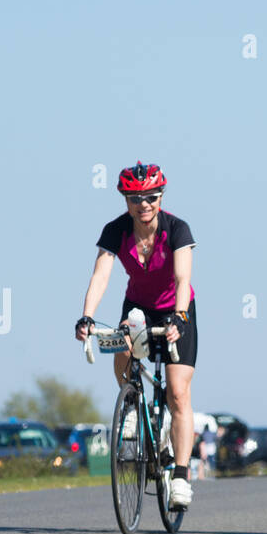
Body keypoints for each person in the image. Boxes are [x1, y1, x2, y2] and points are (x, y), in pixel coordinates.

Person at [75, 161, 198, 509]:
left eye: (151, 197)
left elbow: (181, 279)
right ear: (125, 200)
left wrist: (180, 316)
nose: (144, 205)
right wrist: (87, 315)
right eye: (135, 199)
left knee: (177, 393)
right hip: (138, 307)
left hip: (177, 307)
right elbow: (101, 274)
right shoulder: (116, 230)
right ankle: (133, 408)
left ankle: (181, 477)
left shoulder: (177, 228)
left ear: (160, 197)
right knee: (122, 350)